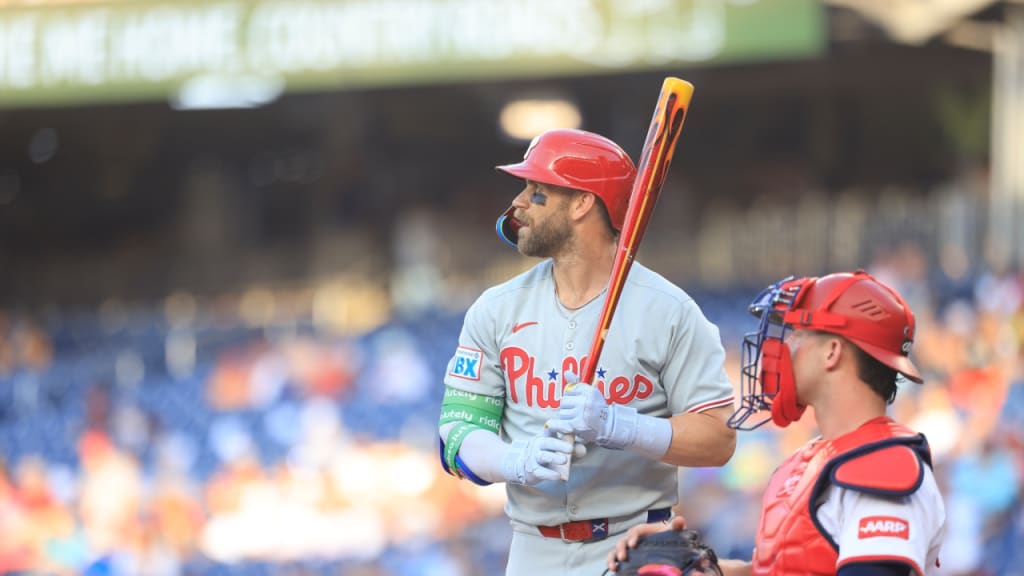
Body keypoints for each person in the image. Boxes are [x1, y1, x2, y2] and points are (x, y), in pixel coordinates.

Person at [437, 128, 737, 576]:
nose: (518, 203)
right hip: (531, 549)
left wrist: (622, 425)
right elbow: (454, 436)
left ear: (582, 203)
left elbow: (718, 439)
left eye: (536, 192)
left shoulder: (670, 310)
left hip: (636, 546)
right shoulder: (496, 309)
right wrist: (514, 460)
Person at [607, 271, 947, 575]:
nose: (783, 346)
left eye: (797, 333)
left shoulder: (882, 466)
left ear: (832, 351)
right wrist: (697, 566)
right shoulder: (811, 458)